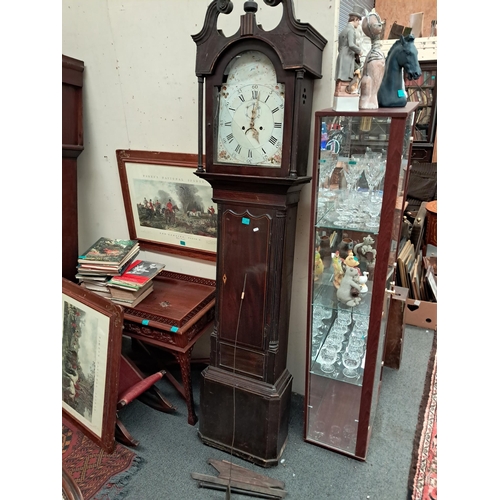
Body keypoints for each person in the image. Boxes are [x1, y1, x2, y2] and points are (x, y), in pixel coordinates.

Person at [334, 6, 364, 95]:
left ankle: (340, 90)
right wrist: (359, 51)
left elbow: (339, 47)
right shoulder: (351, 31)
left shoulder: (343, 31)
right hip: (348, 57)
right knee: (358, 70)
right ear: (355, 19)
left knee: (340, 78)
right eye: (358, 21)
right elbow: (351, 44)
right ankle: (351, 89)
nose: (358, 24)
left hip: (341, 56)